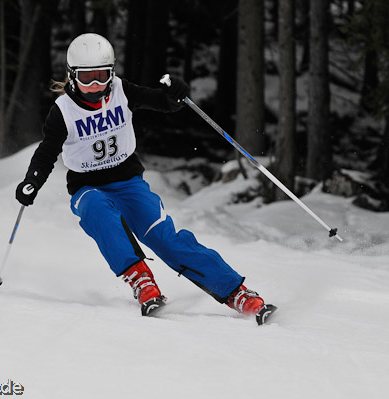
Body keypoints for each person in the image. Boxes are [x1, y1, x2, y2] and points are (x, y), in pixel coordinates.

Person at [15, 33, 275, 323]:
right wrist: (32, 181)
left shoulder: (121, 91)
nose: (96, 85)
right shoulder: (62, 111)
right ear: (72, 76)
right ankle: (141, 280)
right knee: (97, 210)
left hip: (129, 184)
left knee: (166, 239)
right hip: (88, 187)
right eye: (87, 78)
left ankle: (236, 291)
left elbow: (164, 103)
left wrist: (176, 94)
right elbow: (47, 151)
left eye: (102, 75)